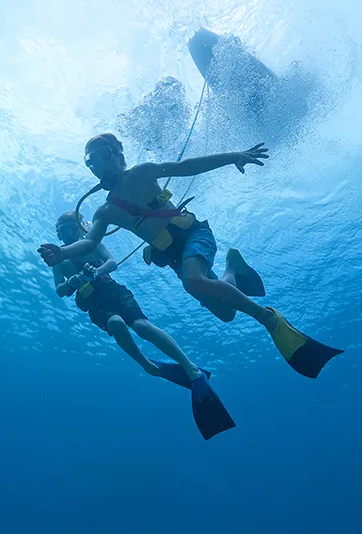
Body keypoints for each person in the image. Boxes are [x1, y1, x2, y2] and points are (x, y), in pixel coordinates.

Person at [38, 133, 343, 379]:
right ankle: (232, 268)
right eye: (91, 162)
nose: (99, 165)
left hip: (193, 233)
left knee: (193, 281)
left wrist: (233, 156)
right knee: (225, 313)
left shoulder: (143, 173)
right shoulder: (105, 210)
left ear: (118, 154)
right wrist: (61, 251)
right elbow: (90, 241)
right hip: (172, 255)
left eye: (104, 154)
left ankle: (268, 319)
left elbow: (188, 167)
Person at [49, 211, 235, 440]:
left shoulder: (91, 243)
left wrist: (96, 271)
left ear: (78, 228)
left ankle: (191, 368)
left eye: (69, 229)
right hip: (93, 302)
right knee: (116, 323)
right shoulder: (59, 260)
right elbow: (60, 290)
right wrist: (73, 281)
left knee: (142, 326)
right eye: (61, 232)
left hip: (113, 291)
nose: (66, 236)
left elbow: (112, 262)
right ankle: (147, 365)